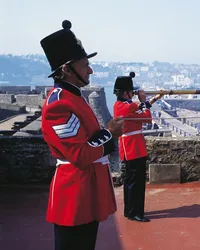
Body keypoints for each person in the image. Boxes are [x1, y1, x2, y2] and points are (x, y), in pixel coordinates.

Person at [40, 20, 124, 250]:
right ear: (67, 69)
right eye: (85, 64)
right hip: (74, 194)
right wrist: (110, 132)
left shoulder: (74, 97)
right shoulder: (59, 104)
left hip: (86, 190)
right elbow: (79, 154)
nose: (90, 70)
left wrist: (106, 133)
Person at [113, 73, 164, 222]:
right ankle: (135, 212)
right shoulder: (128, 107)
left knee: (131, 182)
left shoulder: (121, 105)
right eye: (131, 91)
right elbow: (147, 117)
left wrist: (155, 98)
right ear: (125, 93)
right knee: (136, 182)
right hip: (133, 148)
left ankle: (130, 210)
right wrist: (143, 100)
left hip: (129, 147)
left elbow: (142, 109)